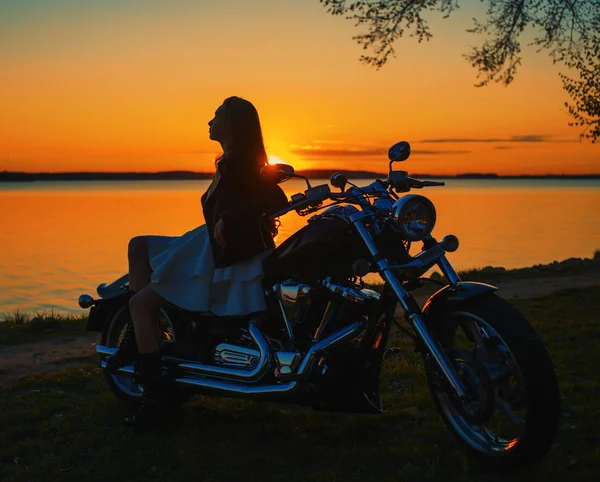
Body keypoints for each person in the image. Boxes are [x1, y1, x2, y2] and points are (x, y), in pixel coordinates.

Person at [109, 96, 289, 427]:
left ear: (233, 124)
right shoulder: (232, 160)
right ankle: (137, 339)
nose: (210, 121)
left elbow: (276, 198)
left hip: (218, 252)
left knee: (141, 305)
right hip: (205, 242)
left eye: (217, 115)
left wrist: (230, 218)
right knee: (139, 247)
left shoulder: (243, 162)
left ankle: (154, 399)